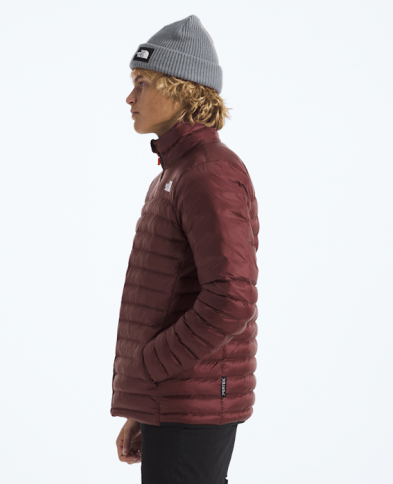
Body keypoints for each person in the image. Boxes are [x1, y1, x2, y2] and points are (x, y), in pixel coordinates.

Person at [111, 14, 260, 484]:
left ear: (182, 90)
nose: (130, 98)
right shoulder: (177, 172)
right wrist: (147, 403)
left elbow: (232, 298)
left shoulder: (207, 171)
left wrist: (152, 369)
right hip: (176, 401)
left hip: (191, 402)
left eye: (142, 83)